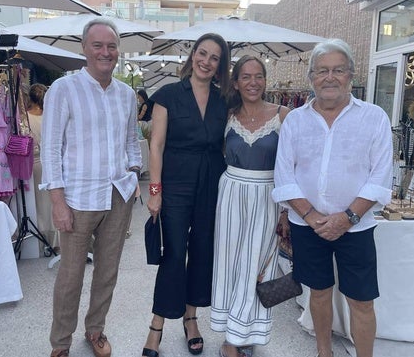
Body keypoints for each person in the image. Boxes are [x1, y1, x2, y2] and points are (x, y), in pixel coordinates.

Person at [272, 39, 393, 357]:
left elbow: (380, 177)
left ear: (351, 75)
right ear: (311, 77)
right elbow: (284, 176)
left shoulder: (374, 117)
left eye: (338, 70)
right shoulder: (295, 121)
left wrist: (347, 217)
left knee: (361, 300)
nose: (330, 77)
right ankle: (324, 352)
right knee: (319, 293)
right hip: (307, 226)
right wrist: (312, 217)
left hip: (357, 226)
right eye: (322, 70)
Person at [40, 18, 142, 357]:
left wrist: (132, 171)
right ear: (84, 49)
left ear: (118, 52)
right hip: (78, 196)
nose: (105, 52)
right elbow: (51, 148)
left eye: (111, 46)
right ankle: (61, 343)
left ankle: (96, 330)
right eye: (97, 45)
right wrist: (57, 201)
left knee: (107, 270)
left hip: (117, 194)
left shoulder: (127, 94)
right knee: (70, 276)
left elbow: (132, 140)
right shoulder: (63, 89)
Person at [142, 33, 231, 357]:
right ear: (192, 55)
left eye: (214, 58)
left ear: (221, 66)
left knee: (203, 253)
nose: (206, 61)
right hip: (176, 183)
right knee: (174, 255)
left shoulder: (225, 100)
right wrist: (155, 191)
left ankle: (191, 319)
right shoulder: (168, 94)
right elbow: (157, 144)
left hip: (212, 183)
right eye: (202, 53)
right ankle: (156, 327)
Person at [210, 55, 290, 357]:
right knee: (230, 266)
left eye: (259, 76)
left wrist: (286, 210)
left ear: (266, 80)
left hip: (269, 196)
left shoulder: (285, 115)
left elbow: (293, 165)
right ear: (236, 82)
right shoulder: (226, 115)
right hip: (231, 194)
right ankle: (233, 335)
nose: (253, 82)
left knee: (257, 267)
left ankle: (243, 334)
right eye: (246, 76)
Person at [26, 83, 57, 254]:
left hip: (35, 162)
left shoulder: (26, 118)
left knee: (38, 204)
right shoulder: (51, 117)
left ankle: (40, 241)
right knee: (53, 202)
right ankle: (55, 240)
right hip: (51, 162)